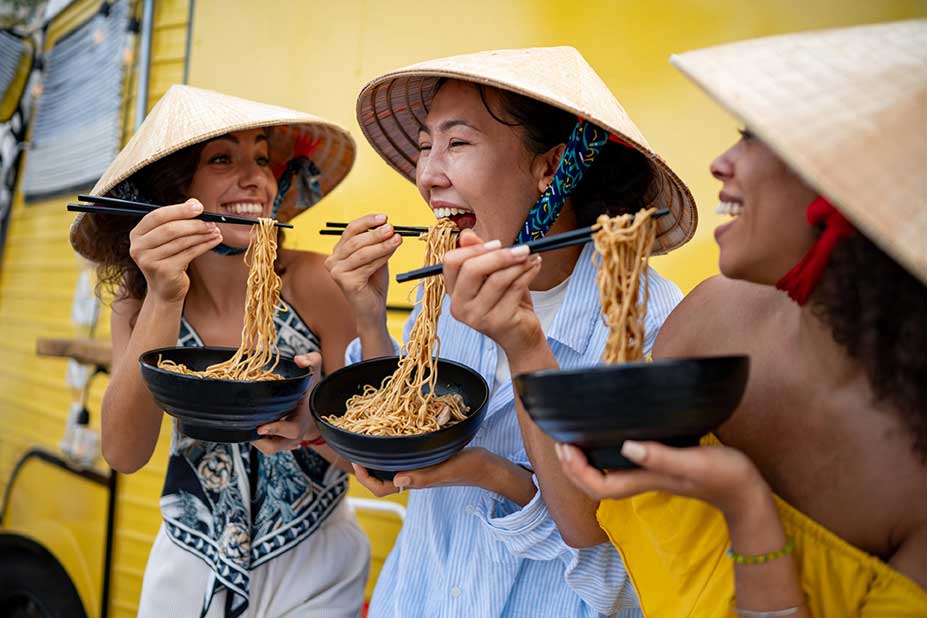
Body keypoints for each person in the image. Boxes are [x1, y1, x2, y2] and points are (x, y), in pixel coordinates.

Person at [556, 21, 927, 617]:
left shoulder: (914, 474)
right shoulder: (708, 317)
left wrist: (746, 503)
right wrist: (519, 336)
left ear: (845, 190)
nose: (720, 163)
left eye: (755, 138)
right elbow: (592, 514)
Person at [327, 47, 697, 616]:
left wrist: (492, 471)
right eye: (425, 146)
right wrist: (369, 313)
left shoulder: (646, 326)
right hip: (417, 596)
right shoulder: (452, 286)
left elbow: (615, 561)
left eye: (457, 143)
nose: (427, 176)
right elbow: (397, 426)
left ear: (550, 168)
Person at [69, 85, 370, 618]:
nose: (254, 176)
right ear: (173, 189)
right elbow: (124, 452)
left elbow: (370, 461)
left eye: (261, 157)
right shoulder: (137, 303)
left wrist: (314, 428)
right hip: (190, 558)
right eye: (222, 158)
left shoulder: (315, 282)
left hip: (314, 560)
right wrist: (164, 294)